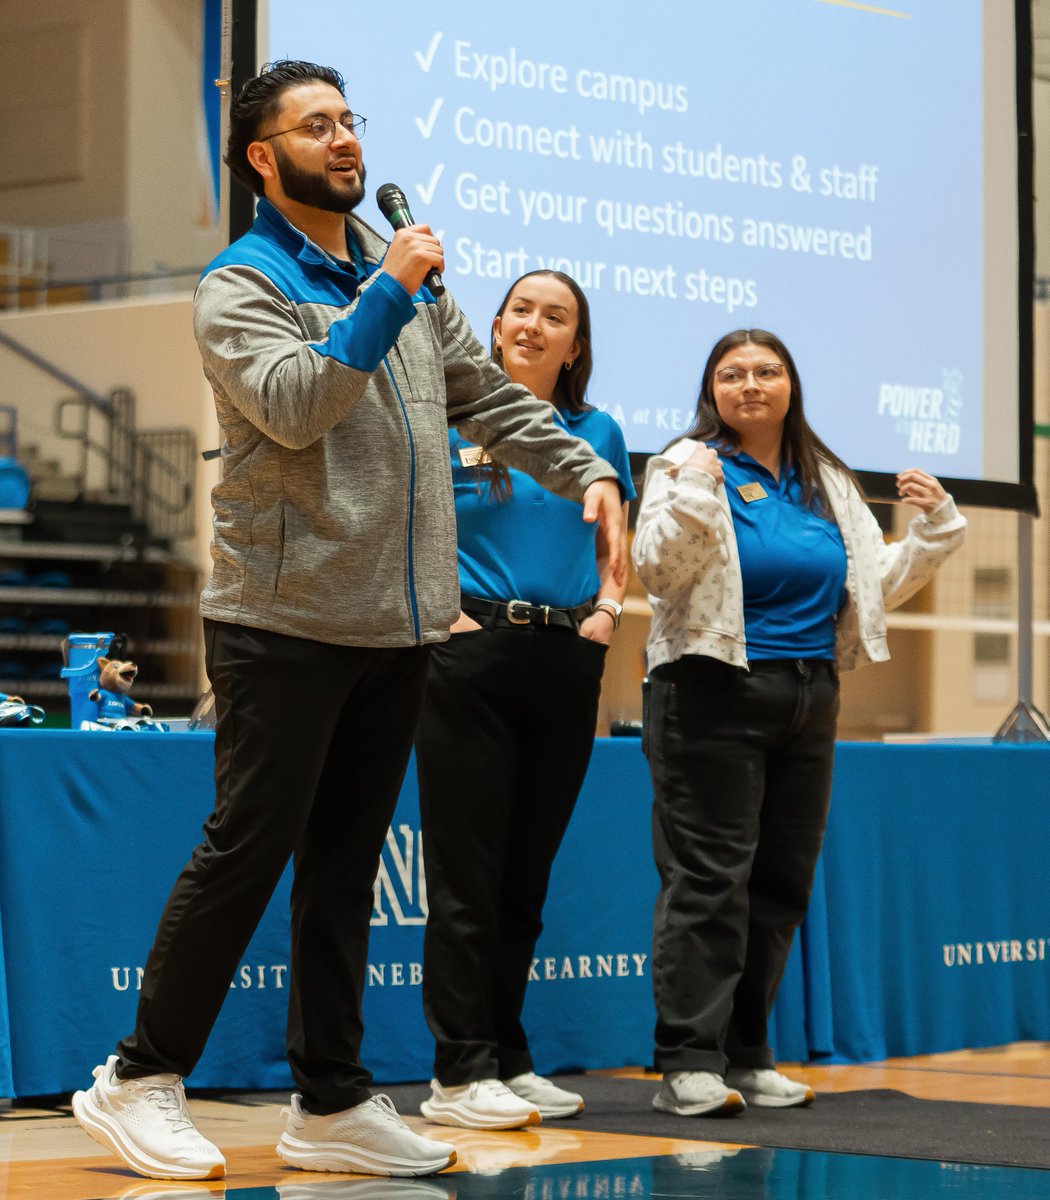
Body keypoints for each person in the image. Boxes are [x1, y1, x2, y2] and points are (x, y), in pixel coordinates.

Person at [70, 61, 626, 1183]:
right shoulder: (243, 283)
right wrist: (387, 293)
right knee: (248, 849)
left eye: (348, 120)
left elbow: (481, 393)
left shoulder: (393, 266)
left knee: (346, 867)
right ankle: (138, 1075)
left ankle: (328, 1099)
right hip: (281, 618)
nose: (343, 140)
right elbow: (294, 406)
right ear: (262, 157)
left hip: (396, 621)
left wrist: (585, 468)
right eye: (314, 125)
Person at [632, 328, 965, 1118]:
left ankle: (747, 1055)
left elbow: (870, 584)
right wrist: (696, 492)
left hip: (811, 694)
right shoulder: (684, 463)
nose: (750, 384)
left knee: (780, 883)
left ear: (790, 386)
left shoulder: (828, 480)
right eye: (732, 374)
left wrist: (935, 530)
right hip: (709, 690)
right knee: (709, 880)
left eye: (766, 371)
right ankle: (688, 1063)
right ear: (711, 390)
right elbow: (657, 571)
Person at [414, 271, 635, 1131]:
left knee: (524, 878)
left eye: (556, 317)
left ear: (576, 346)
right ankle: (459, 1070)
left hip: (566, 659)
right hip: (471, 655)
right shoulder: (449, 417)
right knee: (467, 876)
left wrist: (607, 615)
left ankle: (507, 1055)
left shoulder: (598, 432)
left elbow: (616, 542)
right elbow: (410, 523)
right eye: (521, 310)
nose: (534, 325)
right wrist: (447, 616)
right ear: (496, 325)